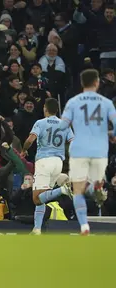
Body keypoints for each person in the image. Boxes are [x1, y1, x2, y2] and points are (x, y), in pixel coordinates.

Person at [60, 69, 116, 235]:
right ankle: (96, 185)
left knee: (78, 189)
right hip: (99, 147)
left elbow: (63, 126)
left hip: (80, 148)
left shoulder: (73, 102)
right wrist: (111, 135)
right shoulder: (106, 102)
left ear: (82, 83)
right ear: (97, 83)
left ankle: (84, 224)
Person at [21, 98, 74, 235]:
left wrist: (24, 150)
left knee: (36, 198)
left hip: (44, 161)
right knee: (43, 196)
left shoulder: (40, 123)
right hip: (58, 162)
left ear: (45, 108)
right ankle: (37, 229)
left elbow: (30, 139)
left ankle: (62, 189)